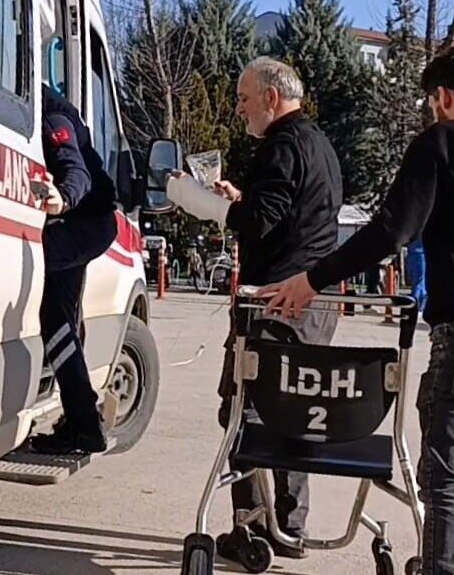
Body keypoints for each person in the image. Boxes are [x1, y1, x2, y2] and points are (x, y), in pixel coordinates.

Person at [262, 47, 454, 575]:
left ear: (443, 97)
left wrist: (312, 280)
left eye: (433, 103)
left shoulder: (441, 143)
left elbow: (389, 232)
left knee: (447, 478)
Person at [167, 56, 344, 561]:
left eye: (244, 98)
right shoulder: (318, 145)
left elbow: (262, 222)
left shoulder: (281, 146)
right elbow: (289, 215)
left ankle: (251, 529)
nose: (239, 107)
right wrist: (240, 199)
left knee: (243, 411)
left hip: (274, 302)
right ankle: (290, 526)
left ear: (271, 97)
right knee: (295, 411)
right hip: (313, 299)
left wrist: (196, 200)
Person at [28, 0, 119, 455]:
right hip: (86, 225)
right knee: (59, 318)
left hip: (85, 222)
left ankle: (82, 420)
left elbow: (75, 170)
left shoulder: (51, 114)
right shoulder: (50, 106)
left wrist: (61, 199)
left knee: (34, 281)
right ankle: (83, 424)